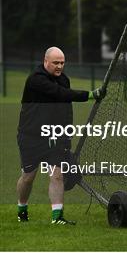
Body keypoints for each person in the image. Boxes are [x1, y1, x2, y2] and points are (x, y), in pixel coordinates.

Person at [16, 47, 106, 224]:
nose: (59, 66)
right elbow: (61, 94)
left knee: (56, 174)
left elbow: (65, 109)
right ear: (45, 61)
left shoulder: (64, 79)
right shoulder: (36, 80)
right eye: (56, 63)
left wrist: (66, 135)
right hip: (31, 136)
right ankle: (22, 208)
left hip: (54, 136)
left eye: (62, 63)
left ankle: (57, 218)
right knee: (28, 177)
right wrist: (90, 95)